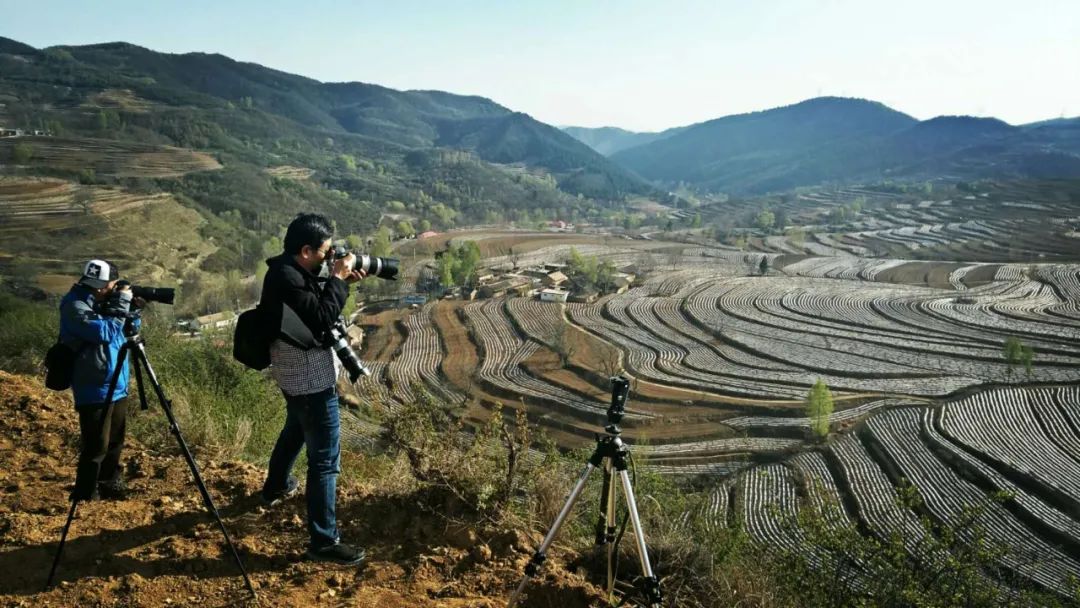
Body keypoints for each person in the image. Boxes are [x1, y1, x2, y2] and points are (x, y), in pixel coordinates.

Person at [259, 213, 367, 565]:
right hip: (310, 380)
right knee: (323, 462)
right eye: (325, 251)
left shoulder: (287, 271)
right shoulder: (288, 279)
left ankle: (275, 486)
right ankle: (323, 541)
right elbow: (320, 318)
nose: (329, 257)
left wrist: (340, 282)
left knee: (296, 429)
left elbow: (314, 307)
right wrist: (337, 280)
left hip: (294, 379)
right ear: (306, 251)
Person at [58, 259, 139, 501]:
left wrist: (132, 311)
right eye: (112, 285)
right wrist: (121, 304)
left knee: (115, 441)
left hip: (117, 381)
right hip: (93, 385)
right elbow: (104, 333)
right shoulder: (74, 305)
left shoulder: (106, 303)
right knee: (96, 446)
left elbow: (128, 331)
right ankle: (84, 493)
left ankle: (110, 484)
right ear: (102, 286)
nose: (115, 289)